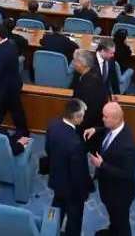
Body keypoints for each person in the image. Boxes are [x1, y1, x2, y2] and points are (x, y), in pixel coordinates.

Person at [83, 101, 135, 236]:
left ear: (116, 119)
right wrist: (96, 129)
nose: (102, 119)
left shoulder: (128, 146)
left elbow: (127, 174)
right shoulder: (115, 127)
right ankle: (113, 231)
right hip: (109, 188)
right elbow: (106, 129)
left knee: (122, 223)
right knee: (114, 218)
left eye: (105, 117)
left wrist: (101, 165)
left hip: (120, 194)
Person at [47, 98, 92, 236]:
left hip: (56, 178)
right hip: (72, 190)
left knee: (55, 211)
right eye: (83, 116)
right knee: (74, 219)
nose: (84, 119)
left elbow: (48, 149)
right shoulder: (76, 144)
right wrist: (84, 192)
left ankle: (49, 232)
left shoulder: (53, 125)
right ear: (76, 117)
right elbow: (78, 173)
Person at [0, 24, 29, 134]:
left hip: (2, 90)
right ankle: (23, 131)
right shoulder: (11, 44)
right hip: (13, 85)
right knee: (16, 111)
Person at [71, 49, 109, 130]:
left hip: (88, 127)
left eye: (75, 61)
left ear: (82, 64)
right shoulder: (91, 73)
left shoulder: (89, 84)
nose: (73, 63)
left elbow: (88, 111)